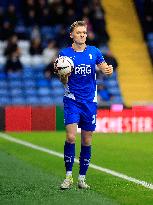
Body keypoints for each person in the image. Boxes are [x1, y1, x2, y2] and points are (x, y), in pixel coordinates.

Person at [54, 21, 113, 190]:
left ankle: (82, 178)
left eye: (84, 32)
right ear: (71, 35)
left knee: (87, 140)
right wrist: (64, 76)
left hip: (90, 102)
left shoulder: (94, 52)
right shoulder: (64, 54)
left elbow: (105, 69)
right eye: (79, 32)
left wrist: (108, 70)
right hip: (72, 100)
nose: (82, 35)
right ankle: (68, 176)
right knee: (71, 137)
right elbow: (62, 80)